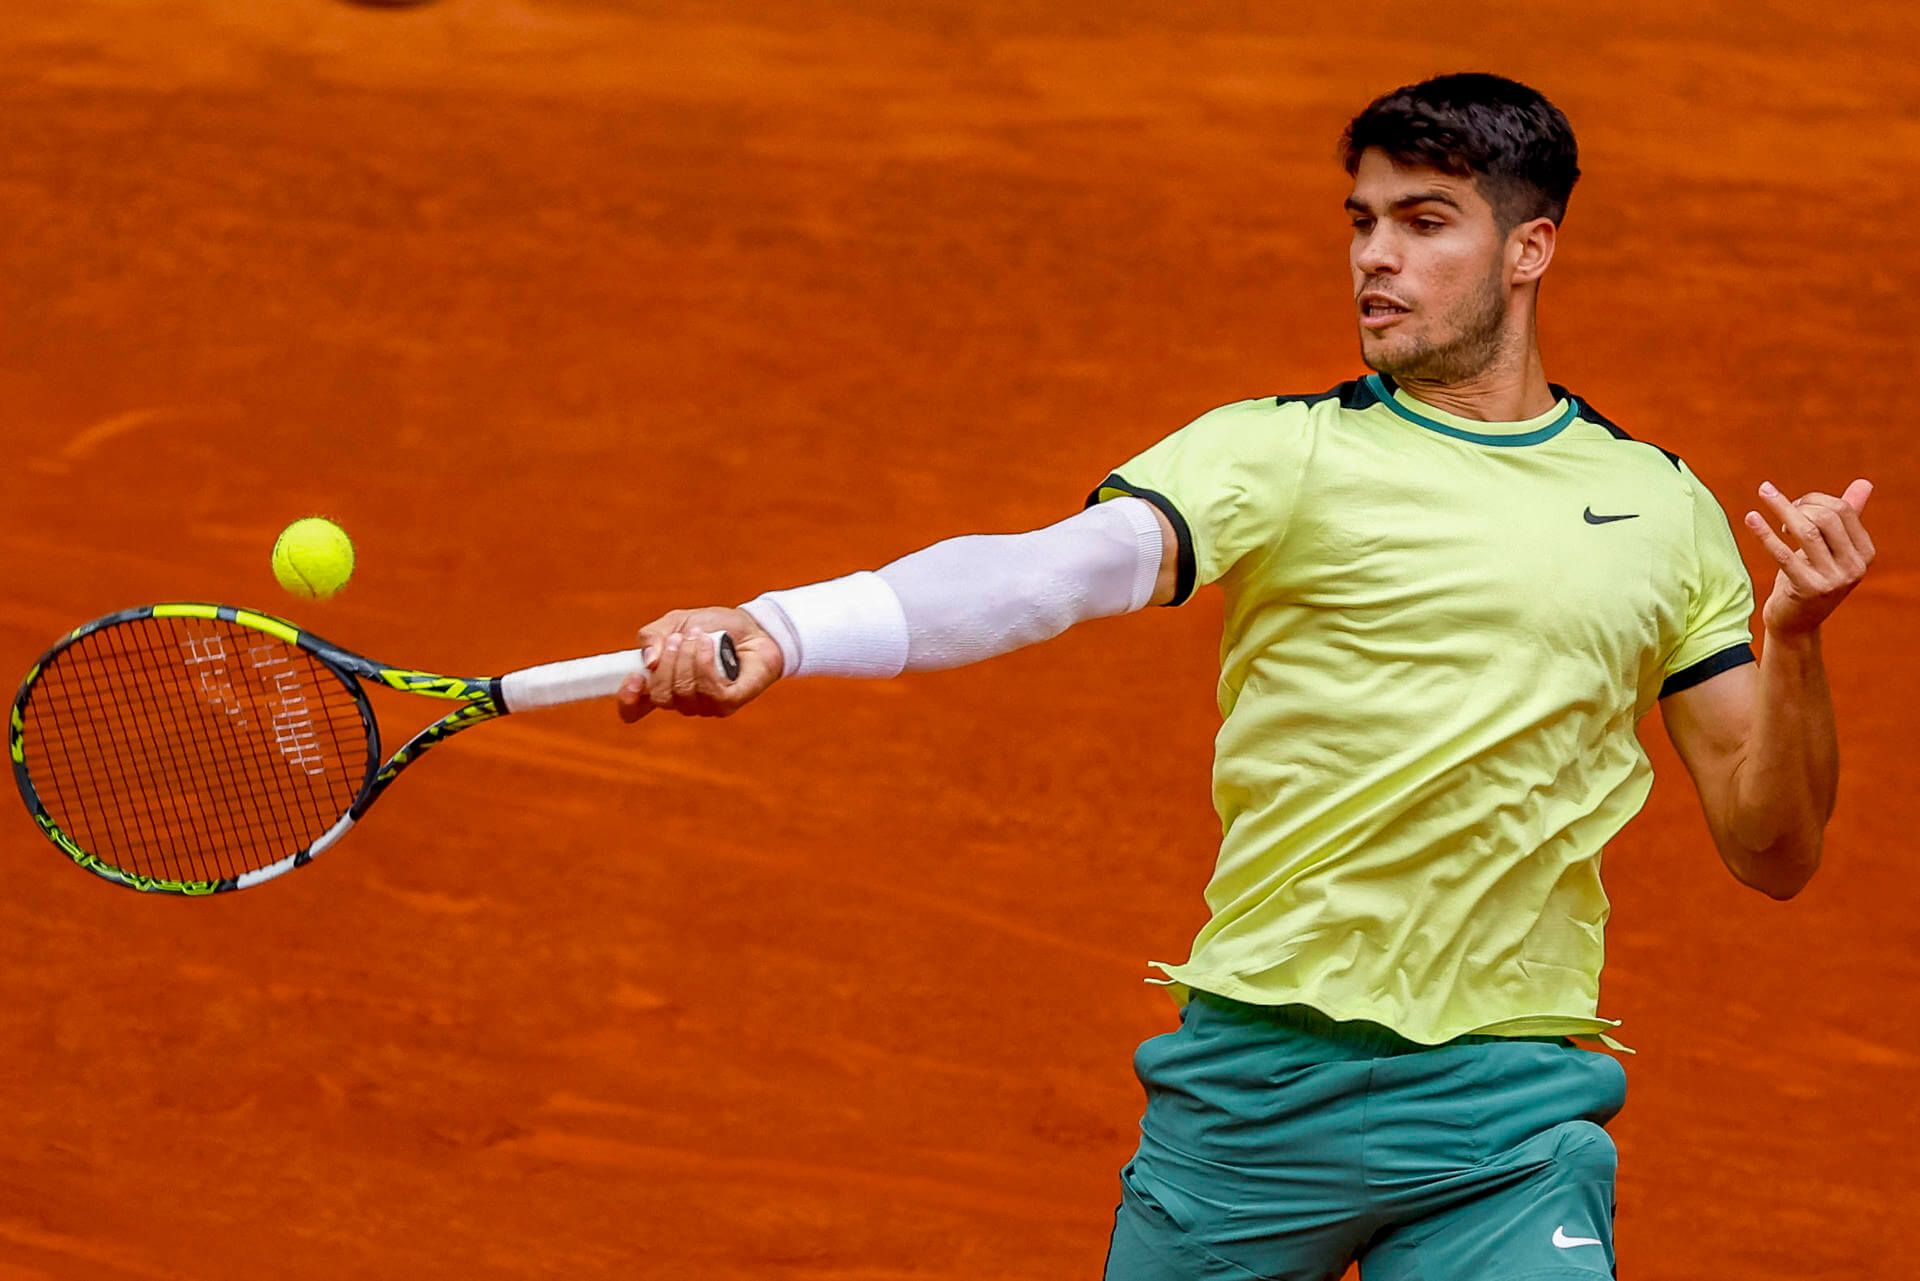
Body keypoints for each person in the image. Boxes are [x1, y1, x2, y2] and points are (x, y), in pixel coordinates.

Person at [613, 72, 1877, 1280]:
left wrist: (1799, 640)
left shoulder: (1657, 505)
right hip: (1257, 1087)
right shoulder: (1279, 453)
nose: (1375, 257)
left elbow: (1774, 849)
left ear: (1530, 249)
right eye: (1363, 223)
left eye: (1424, 223)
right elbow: (1053, 571)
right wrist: (787, 626)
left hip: (1511, 1110)